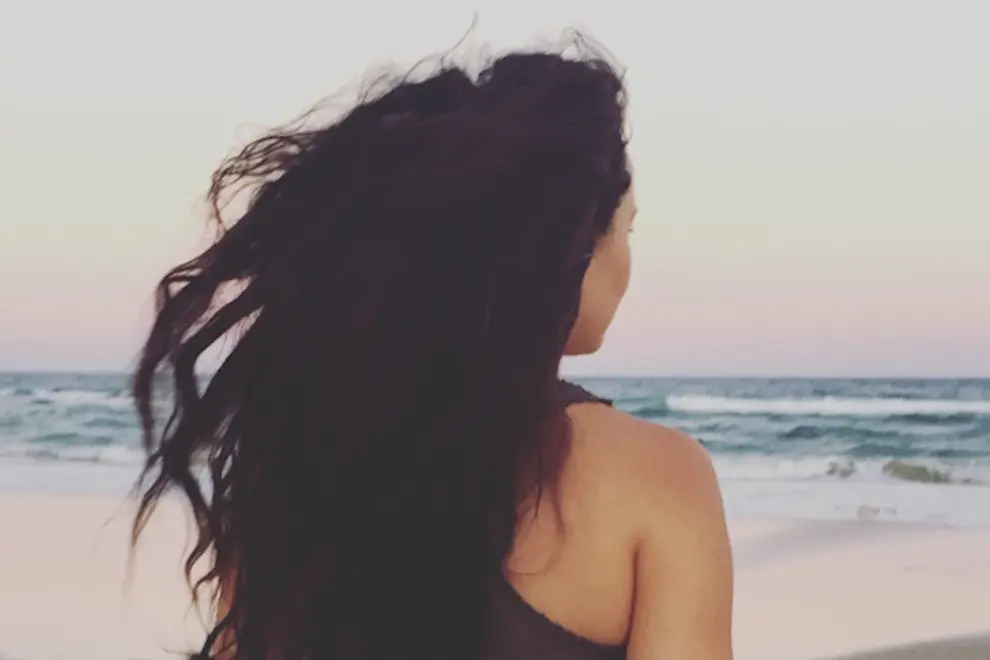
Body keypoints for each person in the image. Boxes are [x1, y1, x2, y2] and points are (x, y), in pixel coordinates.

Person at [130, 33, 733, 660]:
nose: (628, 260)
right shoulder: (656, 479)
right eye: (626, 229)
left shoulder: (295, 469)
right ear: (569, 243)